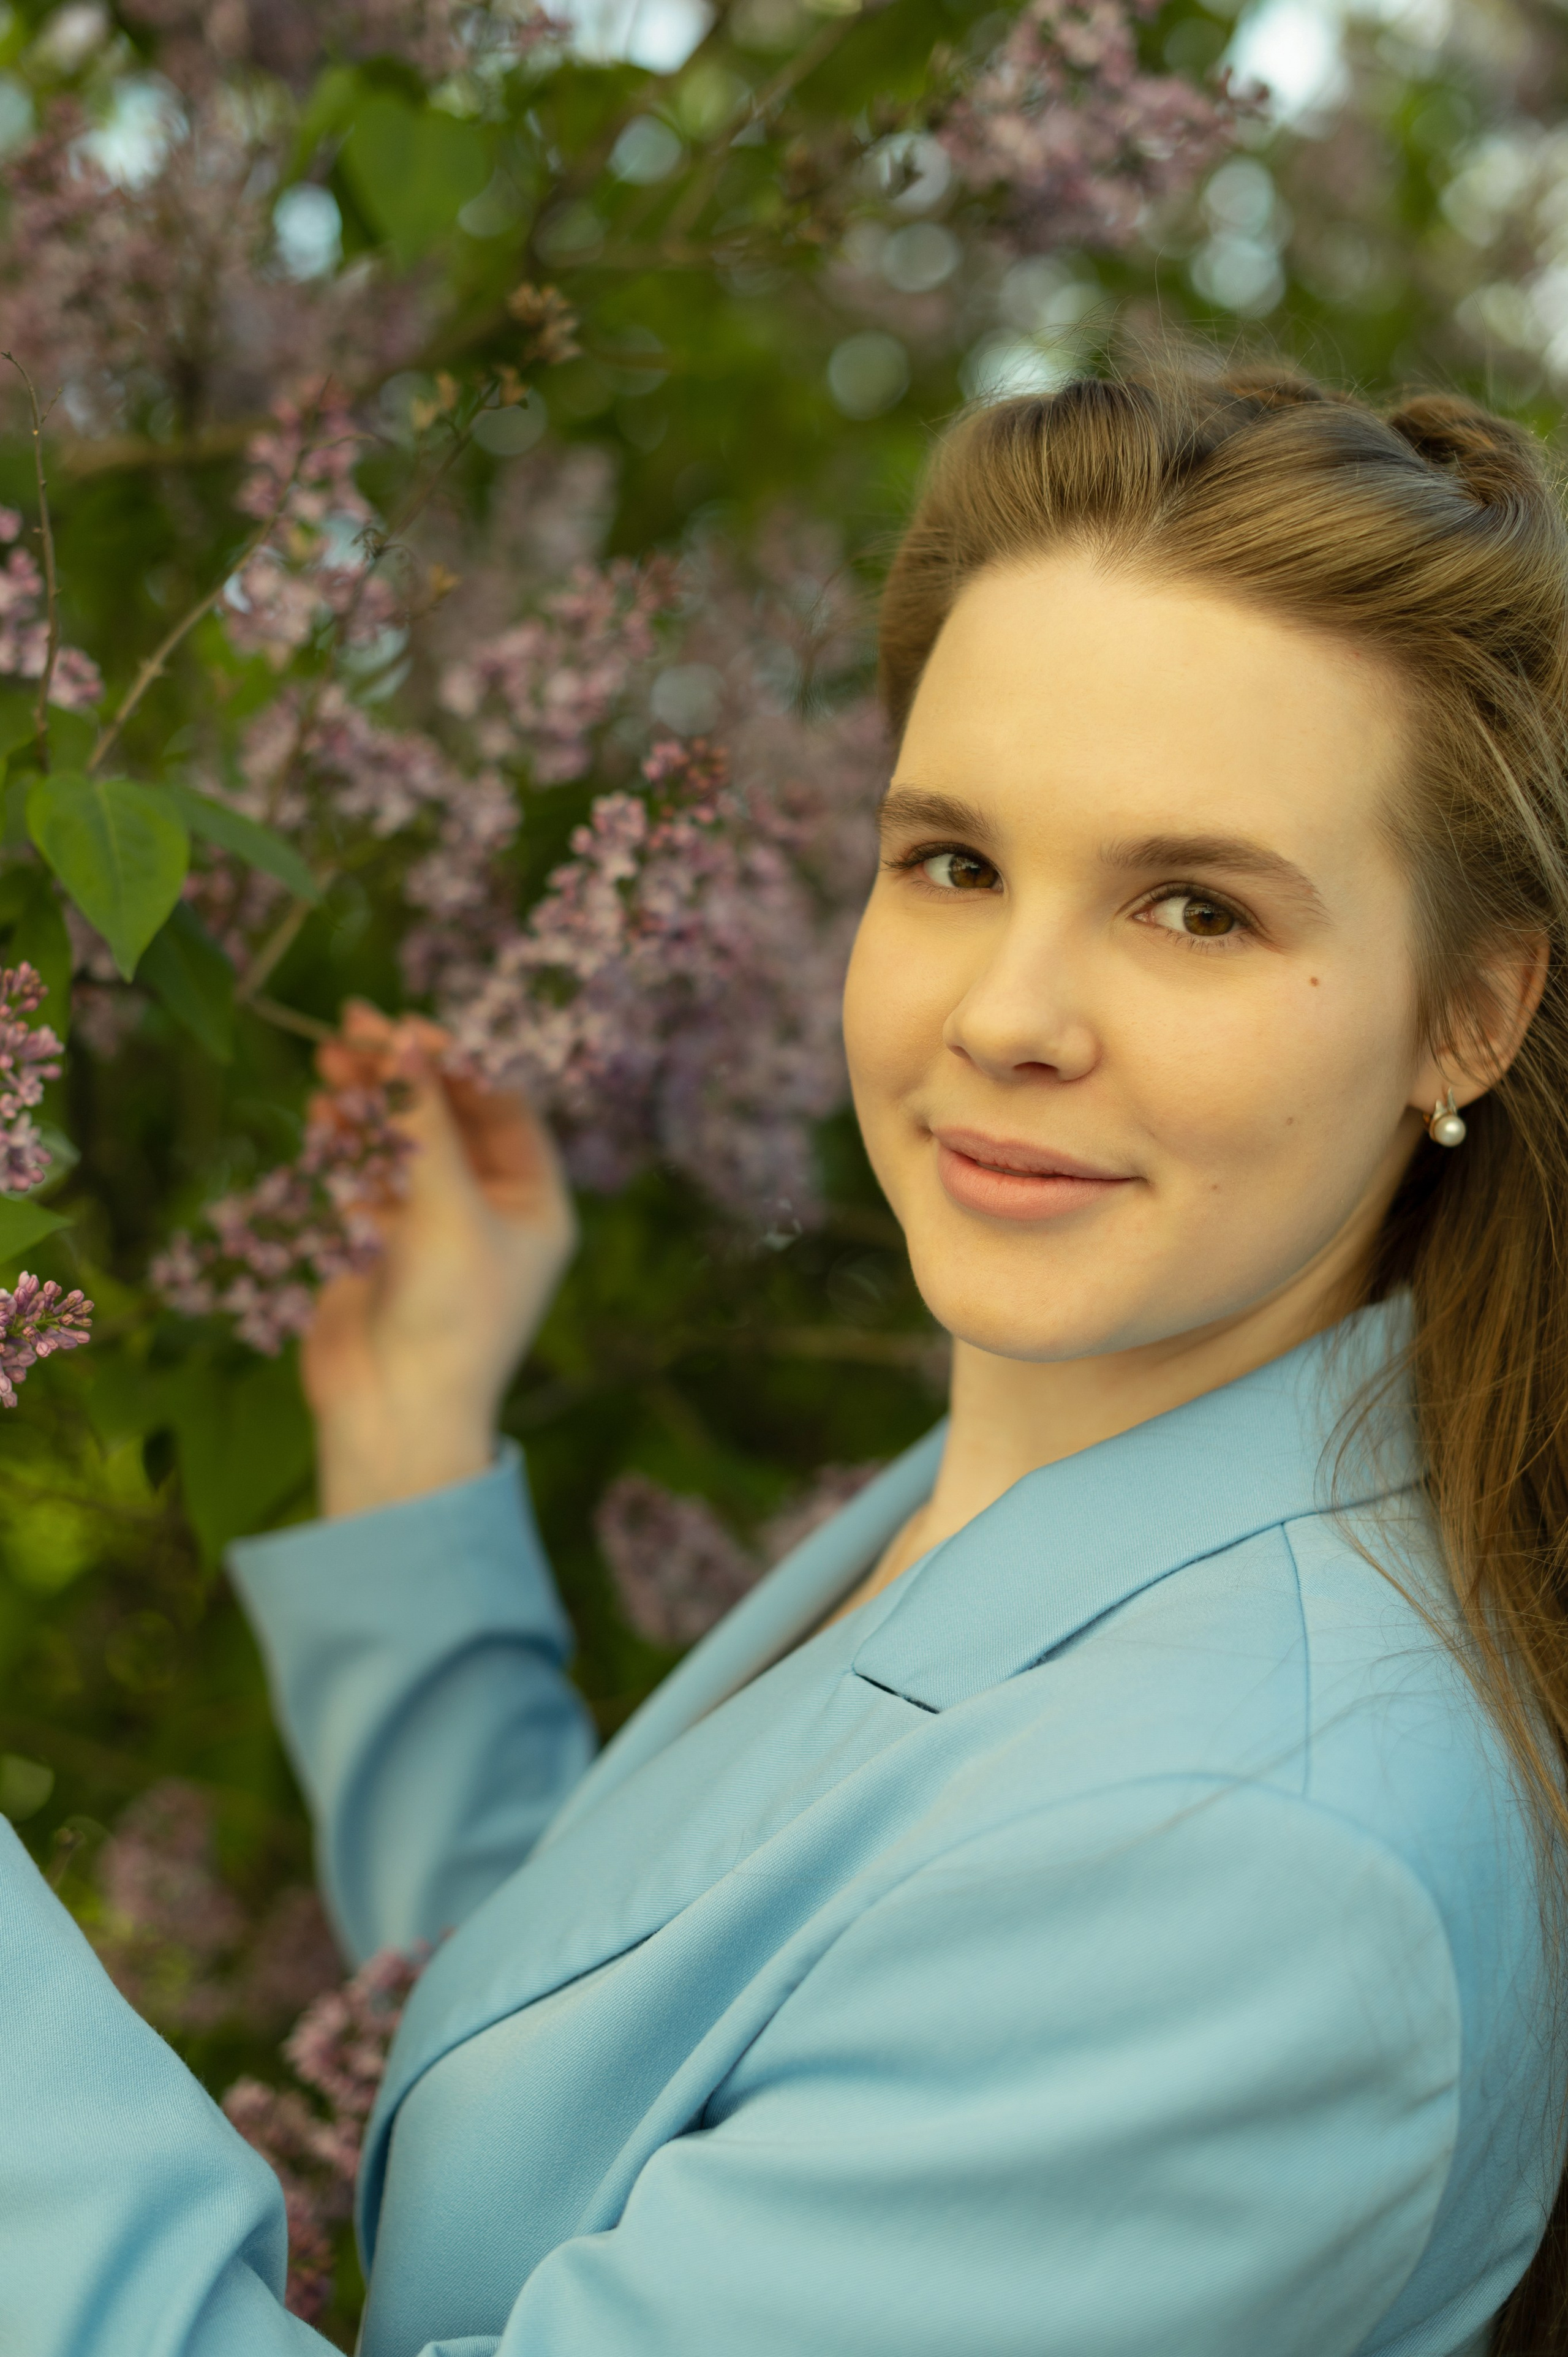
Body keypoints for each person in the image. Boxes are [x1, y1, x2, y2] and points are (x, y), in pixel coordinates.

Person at [6, 362, 1568, 2357]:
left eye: (1195, 909)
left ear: (1471, 1017)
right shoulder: (1061, 1513)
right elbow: (633, 2027)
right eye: (954, 863)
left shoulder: (1258, 1861)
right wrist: (411, 1459)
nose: (1010, 1015)